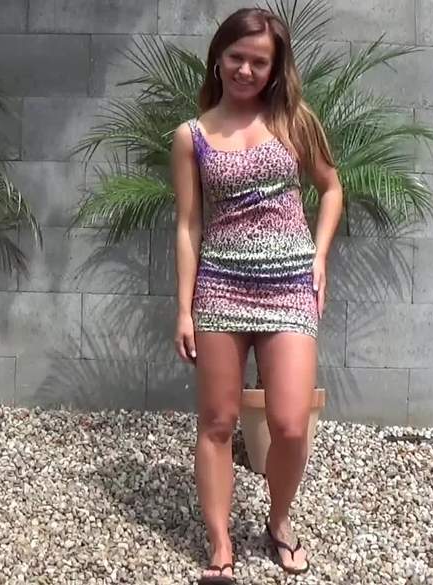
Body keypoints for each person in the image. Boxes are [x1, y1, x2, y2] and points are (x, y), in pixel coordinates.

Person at [170, 6, 343, 584]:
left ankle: (279, 518)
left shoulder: (295, 121)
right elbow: (188, 225)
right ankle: (220, 544)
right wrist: (184, 308)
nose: (246, 70)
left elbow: (331, 188)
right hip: (220, 287)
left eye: (259, 62)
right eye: (237, 57)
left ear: (275, 68)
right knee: (217, 422)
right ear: (218, 58)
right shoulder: (192, 137)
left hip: (289, 287)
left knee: (290, 423)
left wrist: (319, 254)